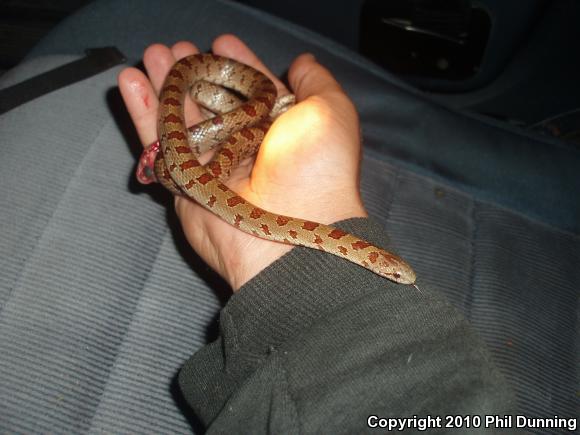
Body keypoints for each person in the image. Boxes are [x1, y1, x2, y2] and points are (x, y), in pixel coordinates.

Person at [118, 34, 515, 433]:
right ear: (373, 259)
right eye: (394, 273)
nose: (396, 275)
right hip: (223, 124)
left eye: (392, 274)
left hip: (222, 141)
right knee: (180, 160)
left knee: (179, 168)